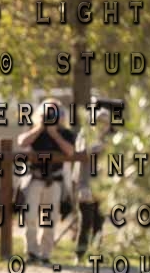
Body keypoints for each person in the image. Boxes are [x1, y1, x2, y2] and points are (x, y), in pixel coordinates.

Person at [16, 99, 77, 264]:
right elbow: (22, 142)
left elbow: (70, 151)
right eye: (47, 113)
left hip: (54, 179)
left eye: (53, 113)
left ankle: (45, 254)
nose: (50, 117)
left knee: (49, 219)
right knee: (29, 216)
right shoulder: (35, 130)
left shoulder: (65, 133)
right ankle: (31, 252)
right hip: (35, 178)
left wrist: (54, 134)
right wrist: (39, 128)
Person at [74, 109, 113, 264]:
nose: (102, 125)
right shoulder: (85, 134)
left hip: (102, 186)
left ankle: (96, 255)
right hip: (85, 184)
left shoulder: (111, 138)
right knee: (86, 221)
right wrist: (99, 147)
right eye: (99, 121)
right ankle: (80, 255)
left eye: (105, 122)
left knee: (99, 222)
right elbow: (81, 152)